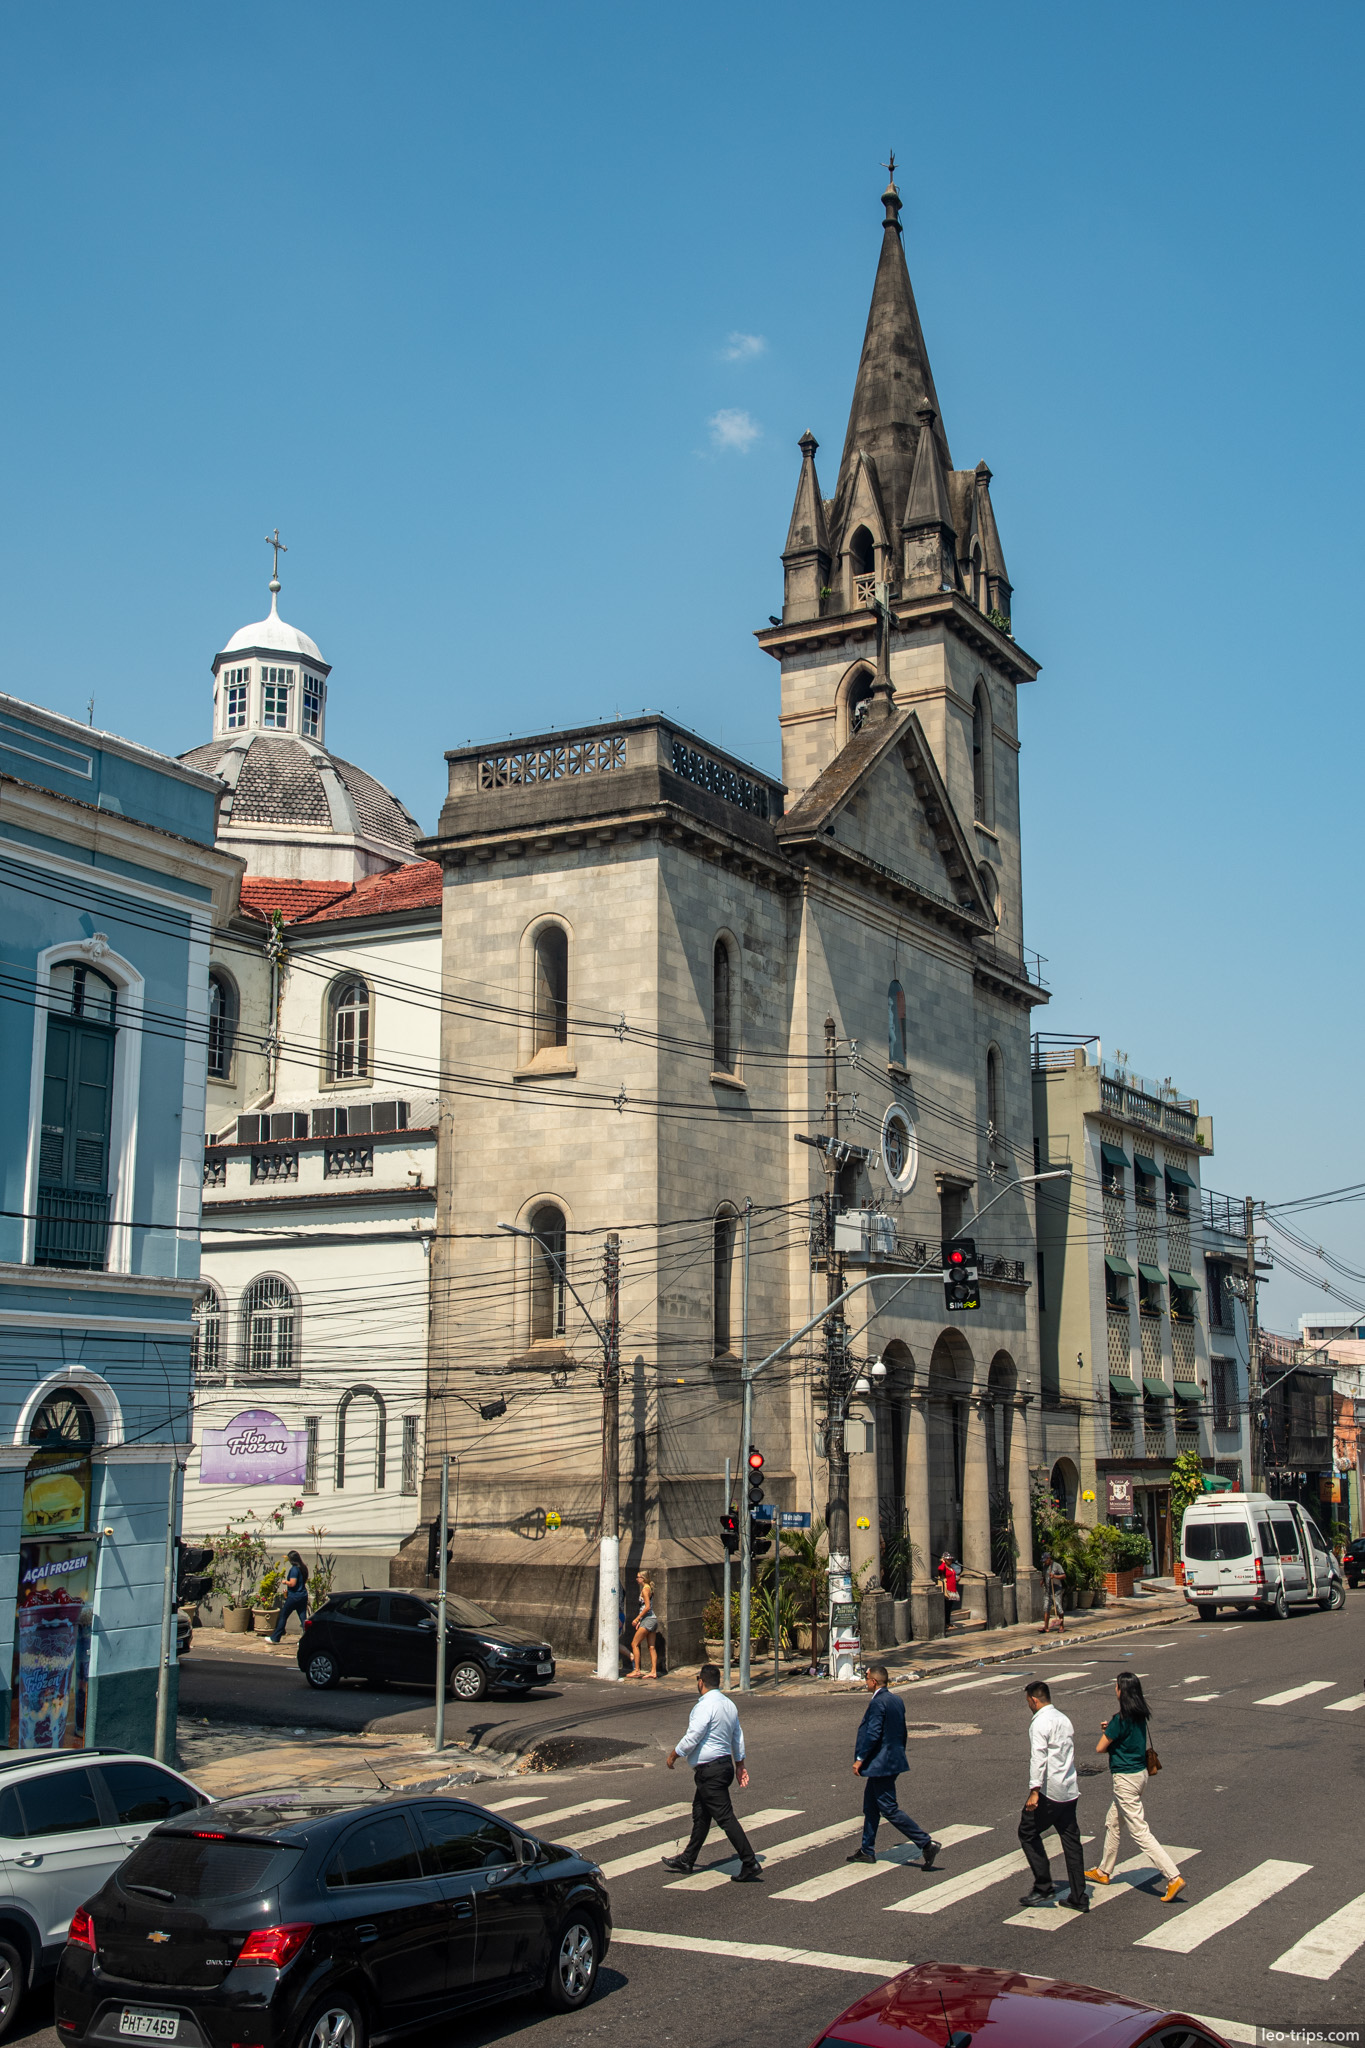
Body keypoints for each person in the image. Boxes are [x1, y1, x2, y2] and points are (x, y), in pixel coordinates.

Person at [1086, 1670, 1184, 1904]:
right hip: (1140, 1776)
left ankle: (1173, 1876)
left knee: (1140, 1832)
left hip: (1125, 1780)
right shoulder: (1141, 1715)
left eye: (1117, 1686)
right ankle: (1103, 1871)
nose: (1115, 1689)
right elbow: (1127, 1742)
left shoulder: (1119, 1719)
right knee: (1113, 1821)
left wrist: (1106, 1732)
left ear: (1122, 1692)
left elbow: (1101, 1748)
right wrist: (1110, 1731)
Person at [660, 1665, 761, 1881]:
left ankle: (749, 1862)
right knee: (701, 1814)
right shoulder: (729, 1705)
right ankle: (687, 1859)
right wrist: (739, 1764)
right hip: (722, 1766)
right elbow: (737, 1737)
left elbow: (693, 1736)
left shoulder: (705, 1706)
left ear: (700, 1681)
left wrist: (674, 1755)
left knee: (725, 1817)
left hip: (711, 1771)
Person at [846, 1663, 941, 1868]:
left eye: (867, 1678)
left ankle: (925, 1843)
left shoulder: (878, 1703)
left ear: (873, 1681)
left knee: (888, 1808)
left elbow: (873, 1734)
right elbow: (901, 1733)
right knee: (871, 1806)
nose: (865, 1682)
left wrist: (860, 1759)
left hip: (881, 1764)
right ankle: (866, 1850)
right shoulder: (896, 1700)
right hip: (892, 1760)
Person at [1017, 1679, 1088, 1911]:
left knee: (1027, 1831)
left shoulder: (1040, 1723)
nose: (1028, 1705)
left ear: (1034, 1700)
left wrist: (1034, 1791)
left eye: (1028, 1701)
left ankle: (1043, 1886)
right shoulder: (1063, 1719)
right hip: (1069, 1789)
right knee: (1071, 1843)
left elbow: (1038, 1757)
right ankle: (1079, 1896)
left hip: (1050, 1791)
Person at [268, 1551, 309, 1642]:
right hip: (303, 1595)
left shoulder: (294, 1569)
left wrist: (285, 1582)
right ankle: (308, 1638)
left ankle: (275, 1638)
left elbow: (292, 1583)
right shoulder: (303, 1568)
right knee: (303, 1618)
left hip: (294, 1597)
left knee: (283, 1615)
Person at [627, 1570, 659, 1678]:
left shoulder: (645, 1590)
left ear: (643, 1578)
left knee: (634, 1644)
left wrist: (637, 1619)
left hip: (648, 1619)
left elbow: (647, 1607)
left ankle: (637, 1670)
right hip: (651, 1619)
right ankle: (653, 1671)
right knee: (651, 1646)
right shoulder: (648, 1589)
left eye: (638, 1577)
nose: (637, 1579)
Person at [1040, 1549, 1066, 1634]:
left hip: (1056, 1590)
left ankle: (1061, 1626)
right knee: (1046, 1607)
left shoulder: (1056, 1566)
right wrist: (1043, 1581)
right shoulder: (1045, 1567)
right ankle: (1046, 1626)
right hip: (1048, 1590)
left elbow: (1063, 1575)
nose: (1045, 1562)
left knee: (1058, 1607)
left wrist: (1054, 1576)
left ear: (1049, 1558)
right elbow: (1044, 1575)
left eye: (1045, 1560)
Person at [937, 1554, 960, 1630]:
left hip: (952, 1589)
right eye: (948, 1560)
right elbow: (940, 1569)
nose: (950, 1561)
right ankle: (945, 1622)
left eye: (950, 1560)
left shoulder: (951, 1568)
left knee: (949, 1607)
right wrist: (943, 1562)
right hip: (947, 1589)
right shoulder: (944, 1567)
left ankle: (948, 1621)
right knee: (946, 1607)